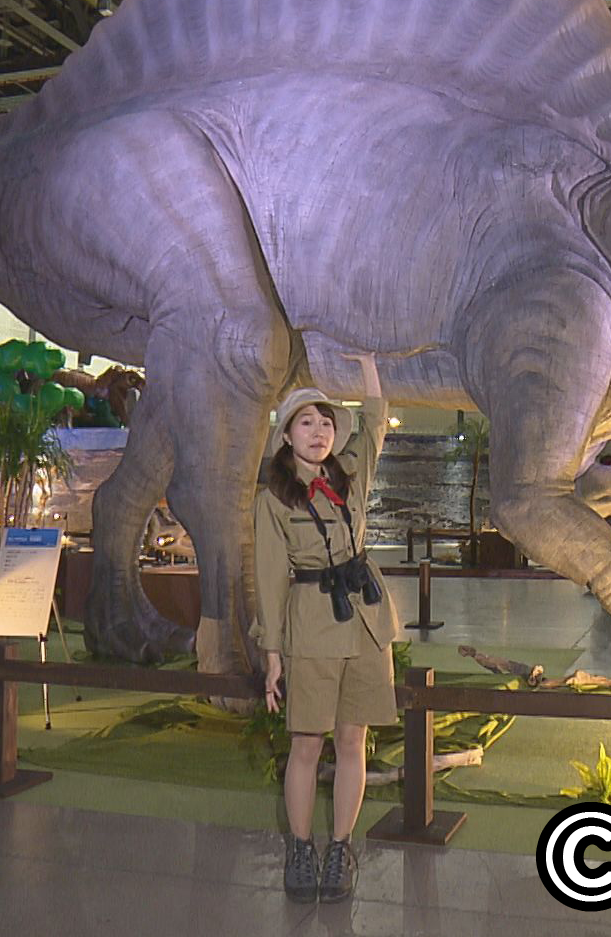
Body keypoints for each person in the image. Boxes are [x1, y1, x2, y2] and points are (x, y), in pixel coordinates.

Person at [253, 384, 399, 904]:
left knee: (353, 738)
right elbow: (270, 577)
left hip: (365, 621)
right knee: (307, 744)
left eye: (326, 423)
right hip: (313, 623)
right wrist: (272, 653)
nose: (319, 432)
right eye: (307, 422)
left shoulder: (348, 477)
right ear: (287, 435)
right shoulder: (274, 499)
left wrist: (369, 372)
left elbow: (375, 424)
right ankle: (300, 848)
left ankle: (340, 847)